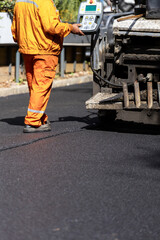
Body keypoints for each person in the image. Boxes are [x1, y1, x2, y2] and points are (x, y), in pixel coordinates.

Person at [11, 0, 84, 133]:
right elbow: (52, 26)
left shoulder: (20, 1)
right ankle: (33, 122)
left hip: (28, 49)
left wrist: (24, 41)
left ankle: (39, 117)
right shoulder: (44, 1)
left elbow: (15, 29)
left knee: (34, 87)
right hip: (45, 50)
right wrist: (70, 28)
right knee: (41, 86)